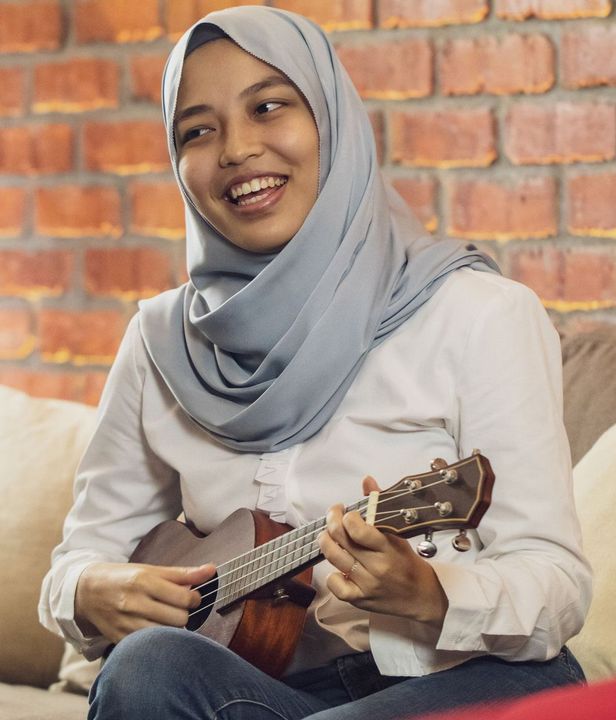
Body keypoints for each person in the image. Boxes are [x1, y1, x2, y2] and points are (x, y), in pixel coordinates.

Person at [39, 6, 591, 720]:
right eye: (197, 131)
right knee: (145, 667)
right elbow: (76, 561)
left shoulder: (478, 313)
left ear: (333, 120)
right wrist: (88, 590)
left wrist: (432, 594)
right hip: (265, 690)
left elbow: (556, 583)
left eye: (269, 107)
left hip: (460, 681)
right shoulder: (157, 341)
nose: (236, 149)